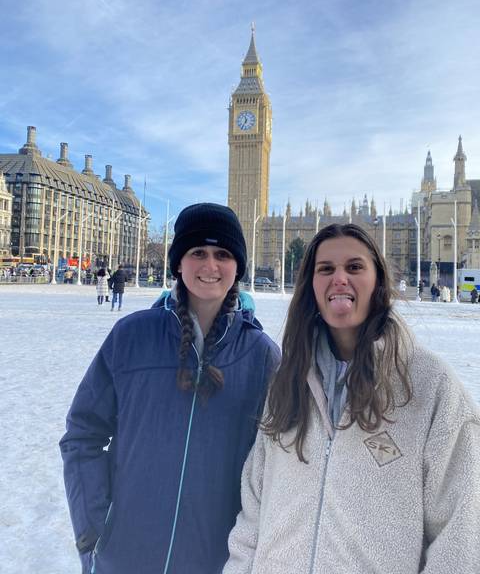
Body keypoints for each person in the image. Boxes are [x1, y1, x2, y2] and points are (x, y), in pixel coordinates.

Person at [224, 223, 480, 574]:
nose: (339, 278)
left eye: (355, 267)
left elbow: (460, 536)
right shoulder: (288, 382)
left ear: (378, 281)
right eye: (326, 269)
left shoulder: (431, 388)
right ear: (311, 285)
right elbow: (254, 508)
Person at [60, 203, 279, 574]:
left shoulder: (262, 356)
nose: (210, 266)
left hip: (215, 561)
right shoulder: (131, 337)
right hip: (123, 557)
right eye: (198, 253)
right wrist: (94, 532)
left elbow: (275, 467)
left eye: (222, 254)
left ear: (237, 266)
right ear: (178, 262)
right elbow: (83, 435)